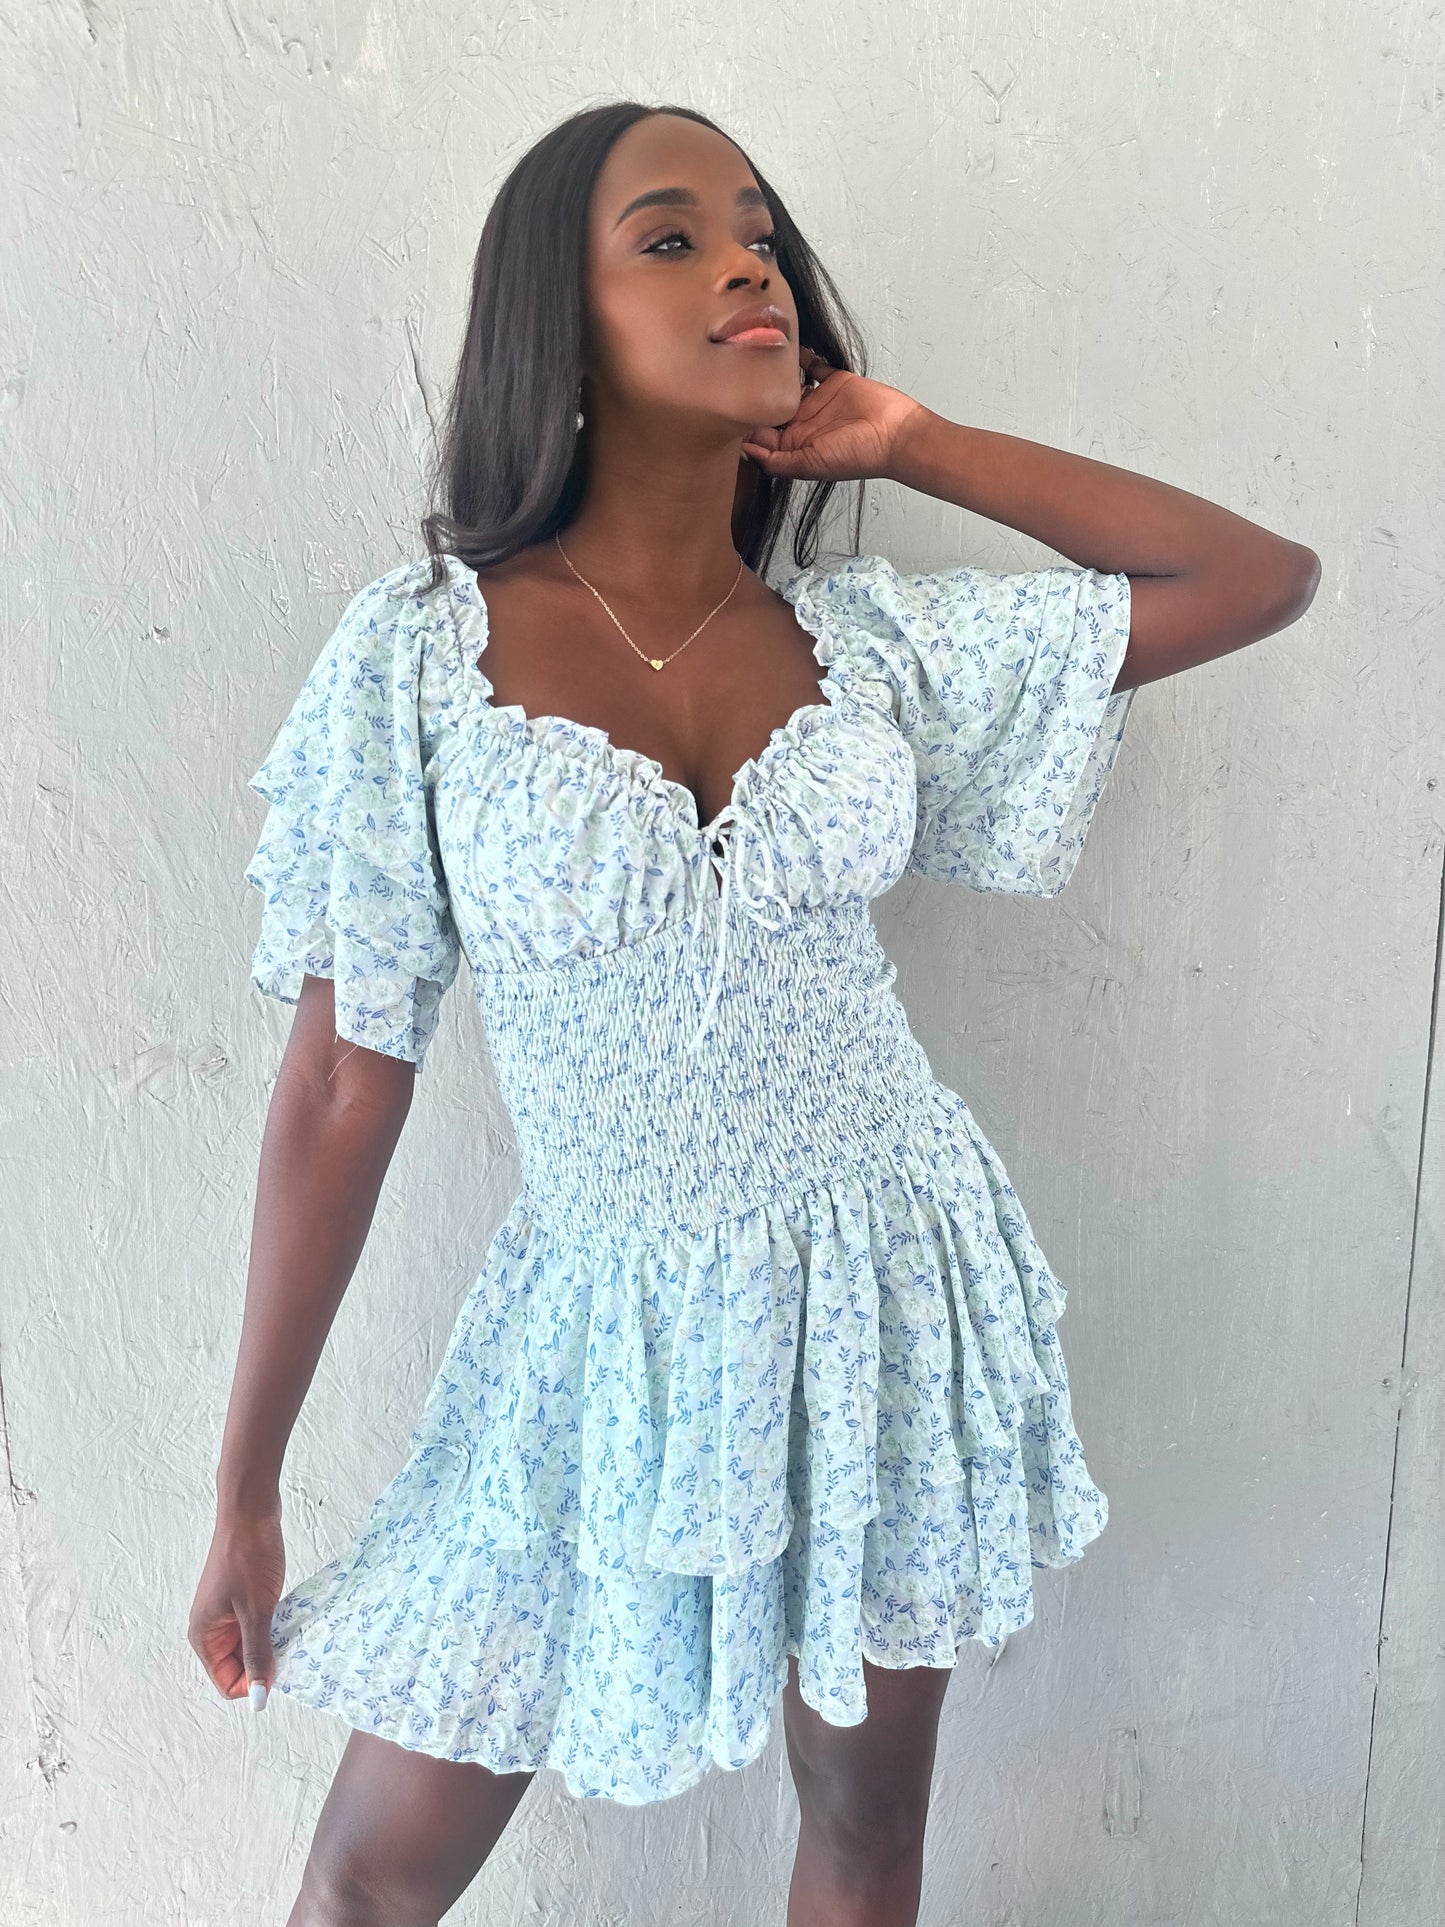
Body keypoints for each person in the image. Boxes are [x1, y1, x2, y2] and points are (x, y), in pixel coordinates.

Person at [188, 99, 1320, 1927]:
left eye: (759, 235)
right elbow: (338, 1077)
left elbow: (1252, 579)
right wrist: (246, 1484)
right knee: (374, 1878)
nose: (743, 265)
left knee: (862, 1823)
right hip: (599, 1332)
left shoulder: (866, 648)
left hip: (880, 1285)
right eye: (671, 237)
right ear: (557, 327)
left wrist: (917, 444)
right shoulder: (420, 655)